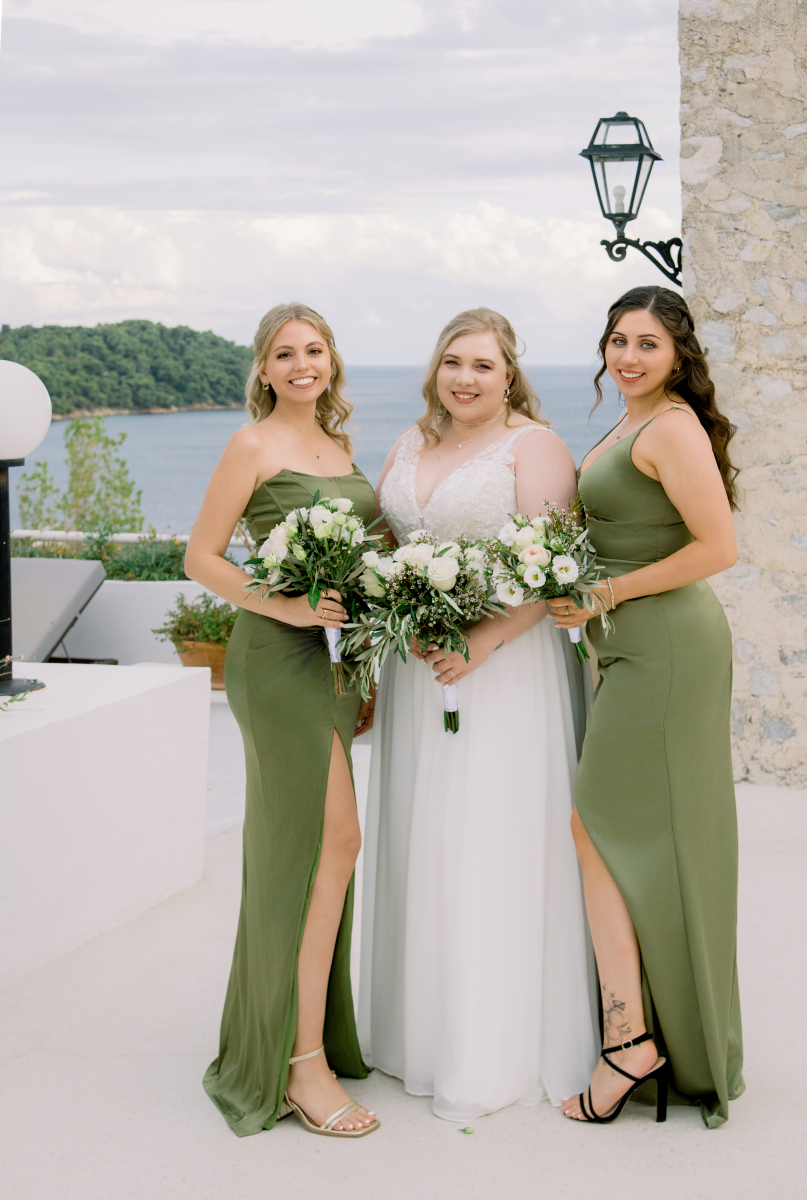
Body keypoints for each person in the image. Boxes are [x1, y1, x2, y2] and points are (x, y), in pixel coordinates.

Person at [357, 307, 600, 1123]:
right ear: (435, 369)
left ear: (509, 377)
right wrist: (397, 616)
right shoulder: (408, 442)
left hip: (503, 669)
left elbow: (554, 567)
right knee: (426, 835)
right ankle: (421, 1034)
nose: (464, 378)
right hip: (418, 668)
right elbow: (386, 544)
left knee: (487, 837)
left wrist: (483, 639)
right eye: (452, 362)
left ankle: (492, 1044)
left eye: (483, 366)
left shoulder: (533, 447)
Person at [550, 285, 744, 1128]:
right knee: (626, 834)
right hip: (631, 648)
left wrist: (606, 593)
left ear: (676, 357)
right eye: (617, 341)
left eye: (646, 345)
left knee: (595, 824)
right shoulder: (627, 422)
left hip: (667, 649)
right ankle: (644, 1032)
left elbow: (718, 547)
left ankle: (628, 1041)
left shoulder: (669, 427)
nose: (627, 357)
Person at [186, 302, 379, 1138]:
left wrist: (365, 660)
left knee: (323, 850)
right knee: (330, 844)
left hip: (332, 665)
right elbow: (200, 556)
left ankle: (304, 1041)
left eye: (314, 349)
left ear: (330, 360)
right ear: (263, 370)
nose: (302, 364)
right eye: (284, 353)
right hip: (274, 658)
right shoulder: (251, 445)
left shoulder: (340, 447)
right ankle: (301, 1065)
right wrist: (290, 606)